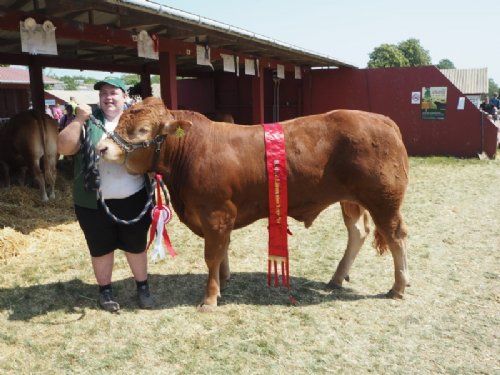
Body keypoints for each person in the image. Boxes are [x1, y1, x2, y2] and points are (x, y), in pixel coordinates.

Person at [57, 77, 153, 312]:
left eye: (113, 93)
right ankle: (105, 291)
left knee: (136, 246)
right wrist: (79, 119)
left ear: (124, 96)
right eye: (104, 94)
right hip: (93, 201)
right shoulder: (88, 121)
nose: (108, 98)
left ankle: (142, 287)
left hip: (134, 198)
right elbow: (63, 148)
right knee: (100, 248)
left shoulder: (136, 121)